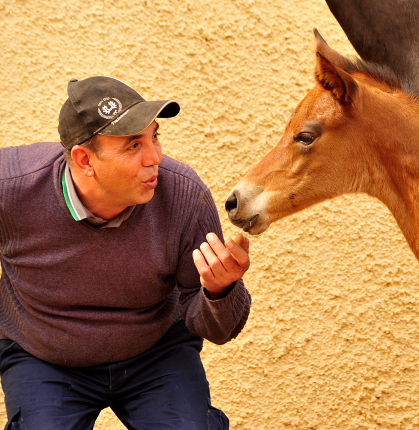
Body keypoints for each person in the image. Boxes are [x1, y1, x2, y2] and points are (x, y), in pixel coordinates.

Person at [0, 76, 252, 429]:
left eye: (155, 137)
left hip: (155, 351)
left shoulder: (183, 195)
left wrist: (220, 291)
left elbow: (218, 329)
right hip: (44, 356)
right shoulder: (11, 188)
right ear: (84, 160)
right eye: (134, 146)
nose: (155, 157)